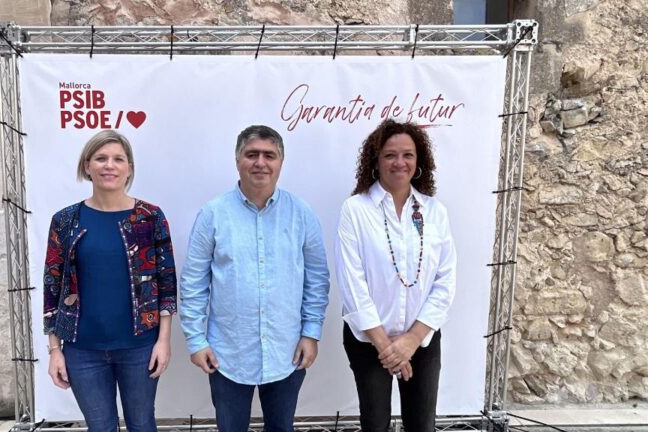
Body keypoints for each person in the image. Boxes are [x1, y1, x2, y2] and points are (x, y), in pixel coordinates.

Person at [180, 125, 330, 432]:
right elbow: (193, 282)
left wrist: (311, 332)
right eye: (252, 154)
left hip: (287, 350)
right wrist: (196, 341)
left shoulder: (301, 213)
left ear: (280, 162)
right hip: (228, 354)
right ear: (237, 160)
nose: (260, 162)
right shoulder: (213, 213)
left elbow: (317, 279)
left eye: (269, 155)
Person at [43, 130, 177, 432]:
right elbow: (53, 286)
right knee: (100, 427)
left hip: (140, 346)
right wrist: (55, 350)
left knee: (142, 425)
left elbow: (166, 284)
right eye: (101, 158)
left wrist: (164, 340)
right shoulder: (65, 221)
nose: (109, 165)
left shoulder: (150, 217)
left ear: (129, 167)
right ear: (87, 165)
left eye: (118, 159)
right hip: (82, 349)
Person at [335, 120, 456, 432]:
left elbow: (445, 281)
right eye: (390, 155)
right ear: (376, 161)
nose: (399, 162)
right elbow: (352, 283)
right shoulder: (355, 210)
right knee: (375, 425)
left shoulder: (434, 211)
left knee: (422, 425)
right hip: (368, 339)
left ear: (419, 162)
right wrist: (387, 347)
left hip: (423, 340)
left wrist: (412, 340)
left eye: (408, 155)